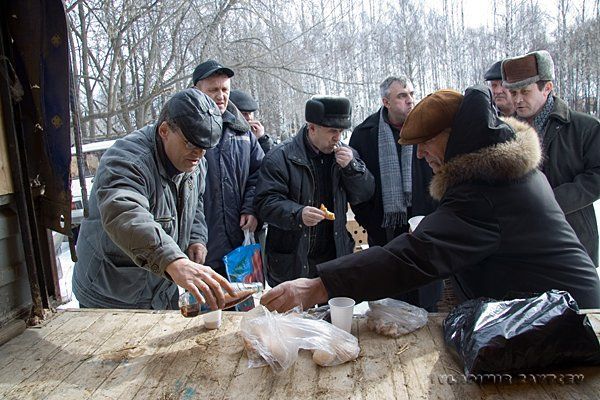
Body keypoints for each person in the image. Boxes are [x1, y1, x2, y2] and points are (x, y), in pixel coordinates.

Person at [260, 85, 600, 312]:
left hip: (571, 318)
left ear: (456, 137)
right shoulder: (502, 171)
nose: (420, 155)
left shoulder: (488, 187)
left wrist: (318, 287)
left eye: (426, 143)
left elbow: (416, 257)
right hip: (551, 310)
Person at [72, 89, 236, 310]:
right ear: (164, 130)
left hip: (160, 287)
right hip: (110, 294)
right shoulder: (127, 159)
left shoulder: (195, 162)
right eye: (190, 144)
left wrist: (196, 238)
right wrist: (173, 260)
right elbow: (125, 213)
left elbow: (195, 202)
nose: (198, 154)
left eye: (204, 148)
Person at [254, 95, 374, 287]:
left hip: (334, 257)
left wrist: (352, 168)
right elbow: (265, 204)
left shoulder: (347, 156)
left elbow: (365, 194)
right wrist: (298, 213)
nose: (338, 138)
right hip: (292, 261)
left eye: (341, 131)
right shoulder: (280, 157)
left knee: (332, 316)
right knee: (293, 317)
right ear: (312, 128)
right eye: (332, 131)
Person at [349, 76, 440, 311]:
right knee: (391, 305)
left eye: (411, 94)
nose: (410, 100)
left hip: (424, 228)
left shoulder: (429, 128)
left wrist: (433, 219)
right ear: (386, 102)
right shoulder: (364, 134)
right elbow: (356, 188)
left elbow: (442, 174)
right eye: (402, 96)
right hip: (385, 231)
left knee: (426, 302)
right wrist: (371, 221)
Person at [502, 50, 600, 266]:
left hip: (574, 240)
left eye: (525, 92)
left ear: (547, 88)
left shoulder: (584, 127)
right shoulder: (505, 131)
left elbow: (597, 176)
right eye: (514, 92)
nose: (517, 100)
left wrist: (551, 202)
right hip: (524, 245)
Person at [193, 60, 264, 276]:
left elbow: (259, 174)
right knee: (210, 306)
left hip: (240, 240)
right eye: (213, 90)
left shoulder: (242, 134)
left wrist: (251, 208)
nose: (220, 95)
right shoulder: (188, 132)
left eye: (225, 89)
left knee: (245, 305)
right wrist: (193, 236)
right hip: (203, 243)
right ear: (197, 91)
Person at [229, 89, 274, 154]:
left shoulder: (256, 133)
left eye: (250, 113)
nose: (249, 117)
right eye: (244, 114)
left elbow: (269, 160)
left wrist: (262, 139)